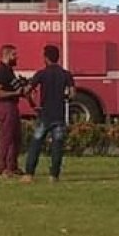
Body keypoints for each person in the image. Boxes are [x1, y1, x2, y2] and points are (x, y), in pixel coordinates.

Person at [22, 44, 74, 184]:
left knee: (36, 144)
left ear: (46, 58)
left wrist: (32, 103)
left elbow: (27, 90)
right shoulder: (66, 74)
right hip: (59, 114)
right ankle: (54, 176)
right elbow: (72, 94)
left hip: (45, 114)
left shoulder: (41, 74)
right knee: (57, 146)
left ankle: (29, 174)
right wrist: (64, 98)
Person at [0, 44, 26, 178]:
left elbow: (16, 89)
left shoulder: (9, 70)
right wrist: (14, 93)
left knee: (15, 137)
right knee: (6, 137)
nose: (17, 57)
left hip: (12, 106)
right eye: (14, 55)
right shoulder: (1, 71)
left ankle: (12, 166)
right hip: (5, 106)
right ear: (6, 55)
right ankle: (0, 169)